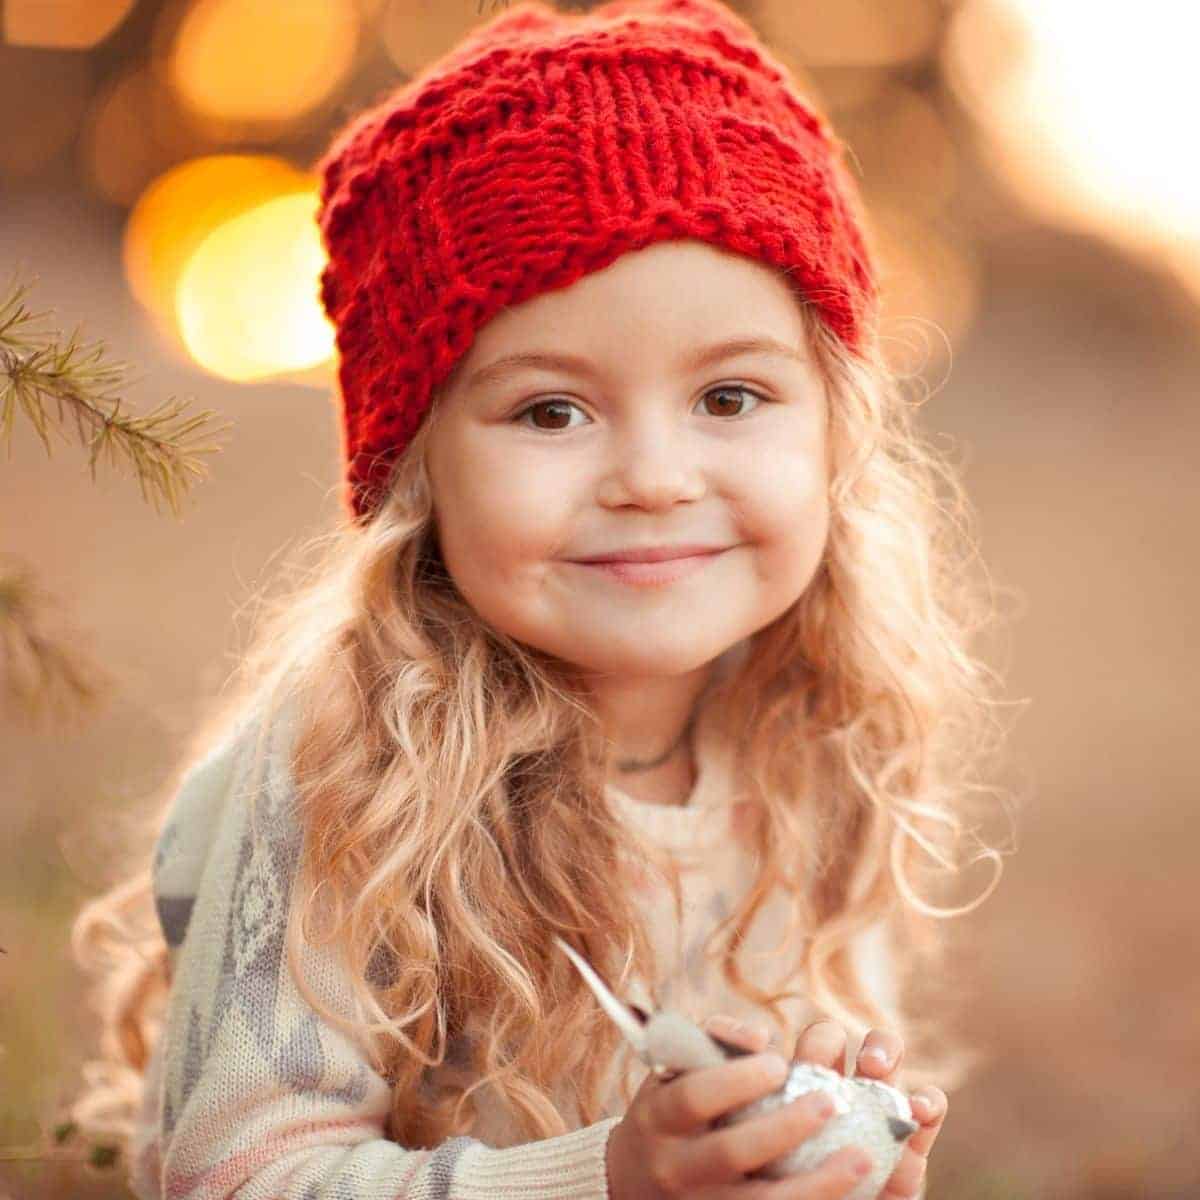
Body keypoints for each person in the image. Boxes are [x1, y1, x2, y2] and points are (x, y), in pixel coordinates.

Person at [67, 1, 1010, 1197]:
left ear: (836, 433)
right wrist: (604, 1180)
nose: (656, 481)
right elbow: (239, 1176)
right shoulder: (348, 771)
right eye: (551, 412)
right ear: (418, 473)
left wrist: (818, 1146)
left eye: (729, 397)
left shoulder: (816, 736)